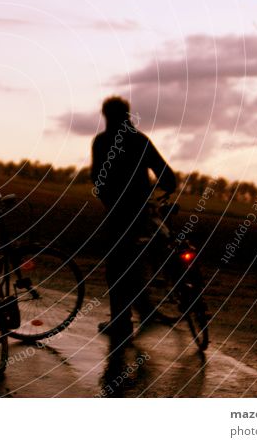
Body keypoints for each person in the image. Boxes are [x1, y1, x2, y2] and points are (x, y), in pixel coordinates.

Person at [90, 96, 176, 347]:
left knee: (117, 267)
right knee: (135, 260)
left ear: (106, 115)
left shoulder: (102, 141)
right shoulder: (140, 140)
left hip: (116, 213)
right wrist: (162, 189)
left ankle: (122, 322)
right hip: (140, 211)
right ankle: (146, 310)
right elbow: (167, 176)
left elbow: (97, 177)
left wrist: (108, 198)